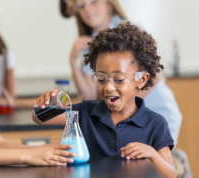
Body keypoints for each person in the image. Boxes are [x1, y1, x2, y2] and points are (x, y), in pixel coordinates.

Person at [33, 22, 176, 177]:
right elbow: (39, 118)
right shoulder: (85, 113)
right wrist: (46, 102)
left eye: (119, 79)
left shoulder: (155, 124)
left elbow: (171, 174)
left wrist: (153, 154)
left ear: (141, 80)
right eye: (101, 79)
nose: (108, 88)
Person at [69, 0, 182, 146]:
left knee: (150, 164)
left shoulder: (129, 31)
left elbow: (155, 76)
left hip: (157, 112)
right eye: (81, 6)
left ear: (109, 3)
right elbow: (90, 95)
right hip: (125, 120)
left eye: (94, 1)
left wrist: (121, 110)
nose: (87, 9)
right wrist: (72, 60)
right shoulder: (89, 42)